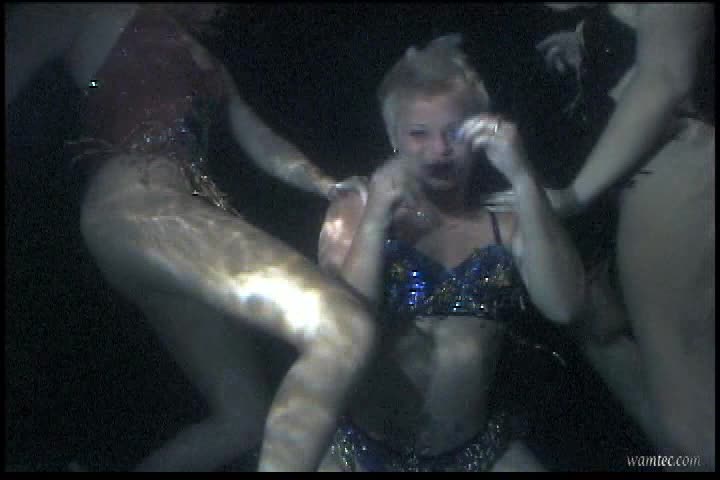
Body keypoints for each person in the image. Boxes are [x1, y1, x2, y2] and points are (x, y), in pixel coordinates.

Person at [5, 3, 377, 472]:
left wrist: (326, 184)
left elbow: (261, 141)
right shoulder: (98, 13)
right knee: (341, 326)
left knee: (244, 420)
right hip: (138, 207)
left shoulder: (212, 65)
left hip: (160, 225)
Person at [315, 34, 586, 472]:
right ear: (393, 136)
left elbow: (565, 306)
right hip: (359, 453)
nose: (439, 151)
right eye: (419, 134)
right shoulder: (356, 208)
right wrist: (376, 221)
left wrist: (522, 177)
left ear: (483, 134)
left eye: (455, 133)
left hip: (474, 455)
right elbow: (340, 331)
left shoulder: (507, 223)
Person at [537, 3, 715, 470]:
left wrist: (574, 195)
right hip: (651, 185)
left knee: (684, 384)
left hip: (677, 180)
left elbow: (665, 79)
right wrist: (594, 44)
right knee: (648, 359)